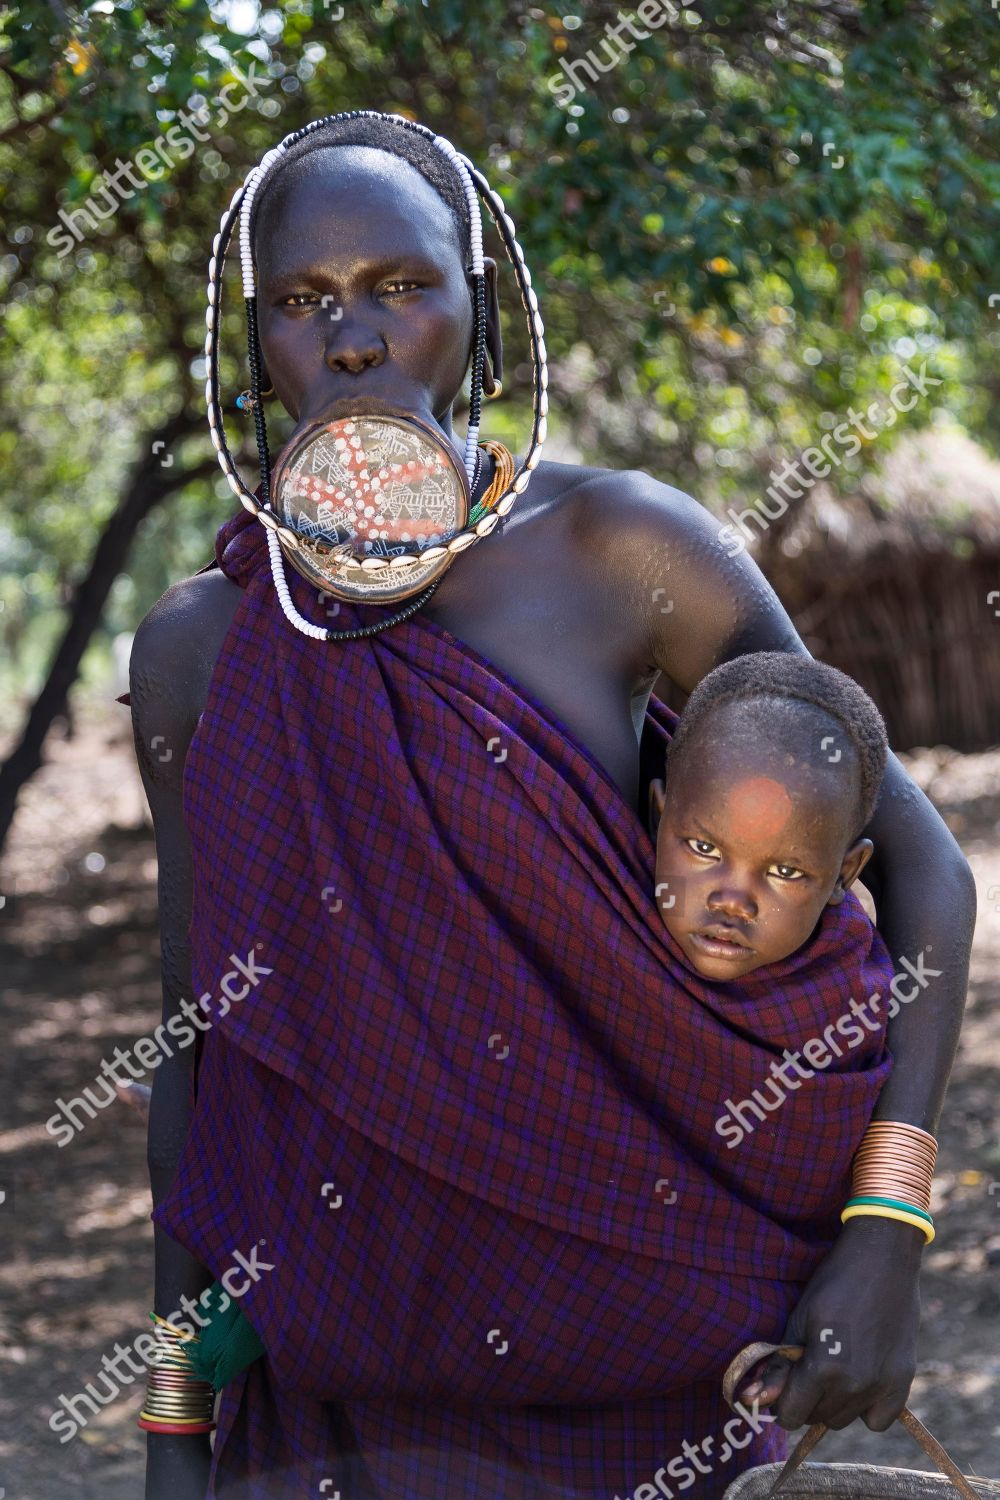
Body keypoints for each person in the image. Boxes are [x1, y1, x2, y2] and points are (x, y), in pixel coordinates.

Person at [126, 111, 975, 1499]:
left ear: (479, 312)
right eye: (300, 302)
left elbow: (927, 872)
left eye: (403, 286)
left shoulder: (619, 552)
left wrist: (886, 1231)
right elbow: (197, 1046)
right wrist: (171, 1430)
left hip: (659, 1392)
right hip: (343, 1420)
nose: (354, 340)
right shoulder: (199, 650)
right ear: (257, 352)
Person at [648, 651, 886, 980]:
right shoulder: (601, 933)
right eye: (704, 849)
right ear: (657, 820)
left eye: (785, 871)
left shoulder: (854, 1009)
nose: (732, 903)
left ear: (843, 874)